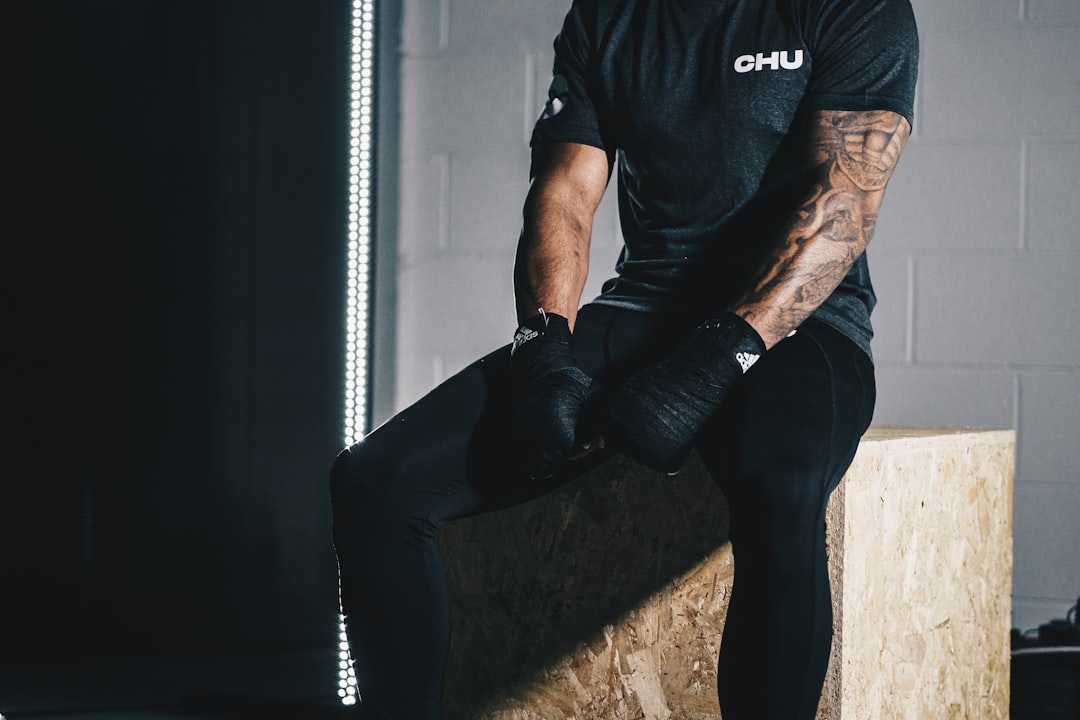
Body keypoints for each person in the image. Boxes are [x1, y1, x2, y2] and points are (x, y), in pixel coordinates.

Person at [330, 0, 918, 717]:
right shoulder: (607, 15)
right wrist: (544, 346)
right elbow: (566, 191)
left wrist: (715, 362)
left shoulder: (850, 8)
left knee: (783, 490)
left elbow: (843, 201)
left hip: (796, 321)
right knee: (377, 484)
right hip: (645, 309)